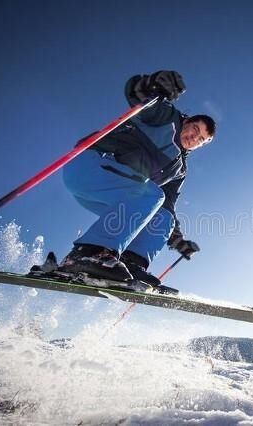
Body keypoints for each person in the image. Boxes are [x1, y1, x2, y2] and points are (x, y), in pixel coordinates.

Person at [58, 70, 216, 289]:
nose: (194, 138)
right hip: (88, 166)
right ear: (187, 121)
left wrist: (178, 241)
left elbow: (168, 206)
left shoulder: (179, 169)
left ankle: (131, 263)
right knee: (151, 193)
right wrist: (153, 85)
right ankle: (88, 254)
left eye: (201, 139)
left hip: (114, 195)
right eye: (194, 129)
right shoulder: (166, 118)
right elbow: (138, 96)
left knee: (164, 218)